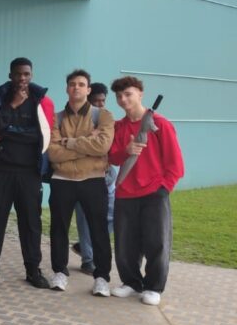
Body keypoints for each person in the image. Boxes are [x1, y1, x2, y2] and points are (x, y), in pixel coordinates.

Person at [0, 57, 55, 288]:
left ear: (32, 75)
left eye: (26, 74)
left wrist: (8, 131)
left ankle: (33, 270)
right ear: (10, 75)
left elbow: (41, 136)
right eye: (18, 74)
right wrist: (12, 106)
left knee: (31, 223)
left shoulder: (42, 101)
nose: (22, 78)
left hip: (30, 172)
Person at [107, 76, 184, 306]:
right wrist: (127, 150)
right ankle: (131, 283)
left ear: (140, 94)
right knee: (125, 243)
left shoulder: (160, 124)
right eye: (119, 96)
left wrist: (164, 188)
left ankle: (153, 287)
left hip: (154, 193)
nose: (123, 99)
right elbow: (112, 157)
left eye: (128, 94)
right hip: (125, 193)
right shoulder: (119, 127)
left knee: (156, 242)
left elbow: (175, 164)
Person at [47, 70, 115, 295]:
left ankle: (102, 278)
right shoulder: (56, 118)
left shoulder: (103, 116)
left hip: (93, 180)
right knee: (59, 228)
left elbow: (102, 146)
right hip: (62, 180)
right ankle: (59, 272)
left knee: (99, 230)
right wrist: (87, 145)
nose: (76, 87)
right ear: (67, 88)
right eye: (72, 84)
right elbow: (53, 153)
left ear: (88, 89)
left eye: (81, 84)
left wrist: (68, 142)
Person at [73, 82, 114, 274]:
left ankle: (84, 245)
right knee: (85, 219)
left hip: (107, 177)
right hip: (84, 177)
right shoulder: (77, 119)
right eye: (96, 101)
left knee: (115, 214)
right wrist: (92, 139)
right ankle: (88, 259)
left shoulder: (107, 119)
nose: (101, 104)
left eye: (103, 100)